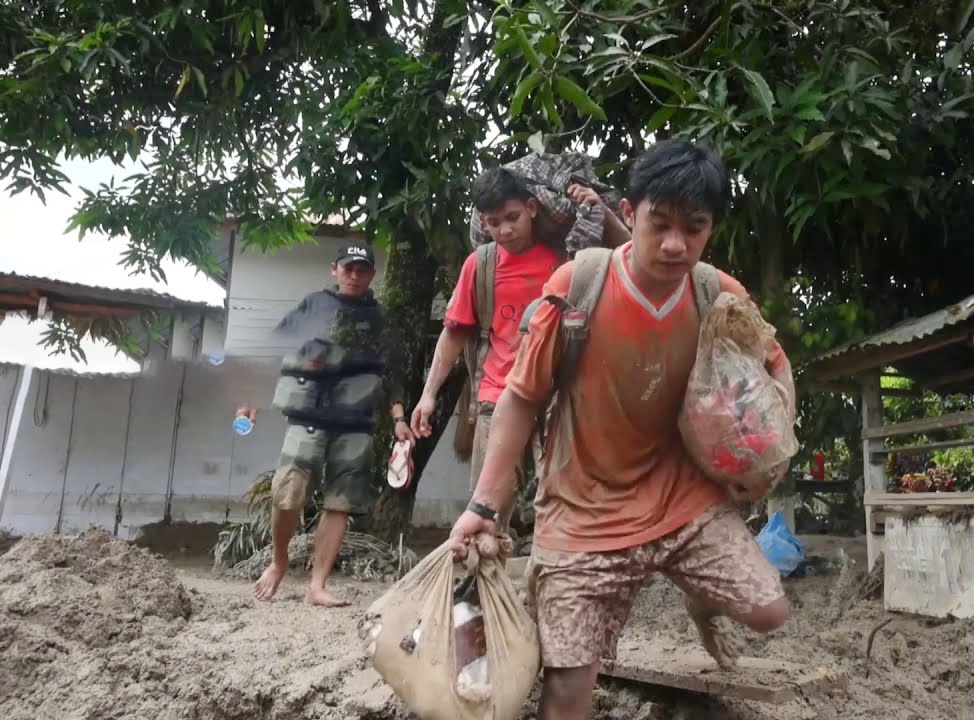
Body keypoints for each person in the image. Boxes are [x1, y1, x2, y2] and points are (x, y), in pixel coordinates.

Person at [447, 139, 794, 720]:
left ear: (711, 230)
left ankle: (700, 599)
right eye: (659, 223)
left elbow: (775, 375)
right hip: (584, 510)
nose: (676, 243)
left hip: (686, 504)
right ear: (628, 214)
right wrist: (484, 503)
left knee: (769, 611)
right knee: (568, 690)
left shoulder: (719, 296)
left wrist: (762, 462)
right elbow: (520, 399)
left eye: (695, 227)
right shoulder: (575, 287)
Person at [409, 167, 610, 528]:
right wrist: (428, 396)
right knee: (487, 509)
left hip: (554, 399)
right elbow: (453, 333)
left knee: (560, 504)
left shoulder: (563, 260)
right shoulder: (480, 265)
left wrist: (600, 210)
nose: (505, 230)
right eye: (493, 222)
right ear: (483, 224)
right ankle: (484, 579)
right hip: (495, 398)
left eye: (512, 218)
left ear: (533, 208)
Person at [238, 241, 414, 607]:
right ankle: (278, 561)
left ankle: (317, 585)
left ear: (372, 275)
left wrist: (399, 420)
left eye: (362, 269)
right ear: (335, 269)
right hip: (309, 417)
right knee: (288, 493)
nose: (354, 274)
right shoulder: (313, 305)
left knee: (340, 502)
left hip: (355, 423)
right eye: (348, 268)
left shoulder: (381, 320)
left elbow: (394, 374)